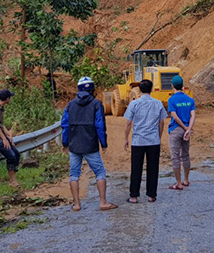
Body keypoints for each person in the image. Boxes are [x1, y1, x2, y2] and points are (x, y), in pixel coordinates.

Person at [61, 76, 117, 212]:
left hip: (74, 145)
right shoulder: (97, 104)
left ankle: (76, 204)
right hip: (90, 145)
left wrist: (65, 143)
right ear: (92, 89)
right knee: (99, 172)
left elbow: (65, 125)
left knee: (74, 174)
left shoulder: (70, 105)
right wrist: (103, 143)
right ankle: (103, 202)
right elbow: (99, 125)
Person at [123, 79, 168, 203]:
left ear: (139, 90)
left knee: (136, 168)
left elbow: (128, 123)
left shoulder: (134, 104)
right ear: (152, 89)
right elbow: (162, 122)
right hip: (153, 140)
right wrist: (158, 136)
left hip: (138, 141)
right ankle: (151, 195)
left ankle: (133, 196)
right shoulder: (158, 103)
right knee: (153, 168)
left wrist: (126, 138)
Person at [0, 89, 21, 188]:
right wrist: (4, 139)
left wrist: (9, 135)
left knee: (16, 154)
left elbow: (1, 125)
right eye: (10, 97)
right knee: (11, 155)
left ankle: (13, 177)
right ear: (7, 99)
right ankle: (12, 180)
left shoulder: (0, 107)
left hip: (0, 136)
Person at [167, 75, 196, 190]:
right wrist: (188, 129)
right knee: (185, 155)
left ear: (172, 85)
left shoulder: (171, 99)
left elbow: (174, 115)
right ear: (182, 85)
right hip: (186, 131)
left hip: (176, 130)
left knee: (175, 157)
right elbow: (193, 115)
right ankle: (186, 180)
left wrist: (184, 127)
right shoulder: (190, 100)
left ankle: (178, 183)